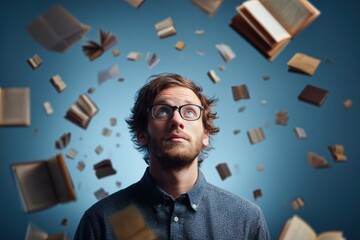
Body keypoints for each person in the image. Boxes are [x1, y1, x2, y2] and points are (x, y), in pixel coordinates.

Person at [74, 73, 270, 239]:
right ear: (142, 134)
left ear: (205, 135)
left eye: (190, 111)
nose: (177, 120)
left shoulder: (247, 219)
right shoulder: (99, 221)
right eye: (163, 111)